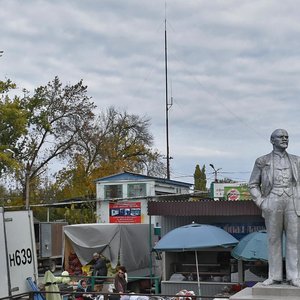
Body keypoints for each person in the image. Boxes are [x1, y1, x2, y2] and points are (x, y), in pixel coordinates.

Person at [249, 129, 300, 287]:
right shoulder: (262, 161)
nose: (285, 139)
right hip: (272, 200)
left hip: (293, 201)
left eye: (286, 137)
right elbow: (252, 185)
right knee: (273, 240)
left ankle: (294, 276)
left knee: (294, 240)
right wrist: (262, 202)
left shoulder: (297, 160)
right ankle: (274, 276)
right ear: (272, 140)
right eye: (281, 137)